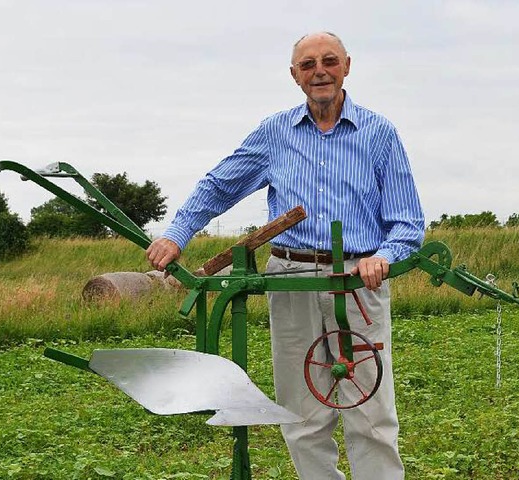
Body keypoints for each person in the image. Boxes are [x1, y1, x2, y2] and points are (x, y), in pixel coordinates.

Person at [147, 31, 424, 480]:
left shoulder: (378, 133)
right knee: (301, 413)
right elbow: (221, 183)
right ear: (294, 75)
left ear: (347, 66)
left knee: (369, 412)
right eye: (309, 64)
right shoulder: (275, 132)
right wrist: (178, 233)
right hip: (289, 276)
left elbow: (407, 221)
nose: (320, 71)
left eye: (329, 61)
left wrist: (383, 257)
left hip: (356, 280)